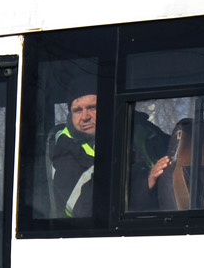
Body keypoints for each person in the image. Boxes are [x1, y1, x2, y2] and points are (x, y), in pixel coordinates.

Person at [49, 78, 170, 217]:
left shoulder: (141, 129)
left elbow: (176, 154)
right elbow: (83, 206)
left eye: (92, 108)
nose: (84, 117)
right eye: (77, 110)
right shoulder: (65, 147)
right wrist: (145, 182)